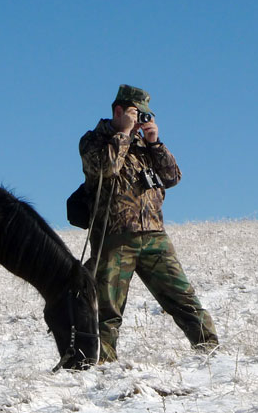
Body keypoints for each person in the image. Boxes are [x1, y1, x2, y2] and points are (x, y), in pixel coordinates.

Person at [78, 84, 218, 362]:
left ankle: (209, 350)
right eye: (135, 112)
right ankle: (103, 361)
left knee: (182, 296)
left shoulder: (145, 145)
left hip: (154, 235)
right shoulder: (95, 140)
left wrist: (154, 141)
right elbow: (107, 168)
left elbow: (173, 177)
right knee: (108, 307)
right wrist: (123, 135)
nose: (140, 118)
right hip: (115, 237)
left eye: (145, 114)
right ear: (119, 110)